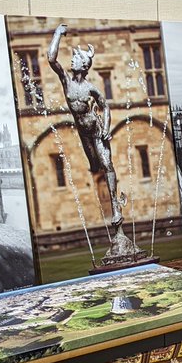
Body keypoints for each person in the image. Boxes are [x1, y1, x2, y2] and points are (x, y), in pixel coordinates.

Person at [48, 23, 123, 226]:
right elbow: (51, 59)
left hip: (96, 131)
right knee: (94, 166)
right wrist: (57, 34)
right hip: (83, 134)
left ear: (84, 65)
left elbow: (105, 108)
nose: (71, 59)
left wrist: (106, 129)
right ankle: (112, 197)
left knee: (107, 165)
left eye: (76, 58)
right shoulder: (66, 82)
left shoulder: (92, 89)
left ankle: (116, 208)